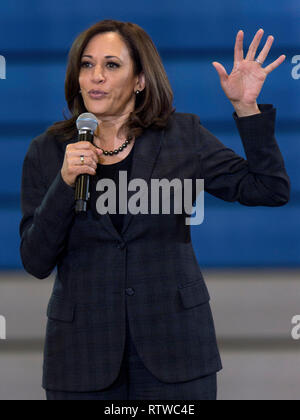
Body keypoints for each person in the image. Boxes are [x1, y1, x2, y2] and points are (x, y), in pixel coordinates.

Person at [19, 20, 290, 401]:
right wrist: (64, 183)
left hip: (176, 349)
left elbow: (269, 189)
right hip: (82, 356)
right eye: (86, 64)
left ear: (140, 80)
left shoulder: (182, 136)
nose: (96, 76)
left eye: (111, 65)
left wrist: (247, 109)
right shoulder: (47, 150)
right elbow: (35, 260)